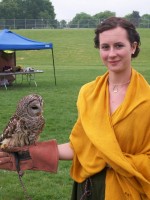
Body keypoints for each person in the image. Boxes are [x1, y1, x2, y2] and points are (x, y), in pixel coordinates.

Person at [0, 17, 150, 199]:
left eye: (119, 46)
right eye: (105, 47)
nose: (111, 54)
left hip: (128, 190)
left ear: (133, 47)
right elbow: (78, 147)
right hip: (87, 187)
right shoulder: (89, 93)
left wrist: (114, 160)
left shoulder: (146, 100)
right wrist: (28, 154)